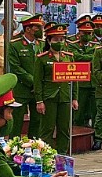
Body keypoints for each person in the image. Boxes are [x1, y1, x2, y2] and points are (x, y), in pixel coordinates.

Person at [32, 23, 77, 152]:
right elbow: (38, 81)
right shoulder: (42, 58)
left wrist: (74, 98)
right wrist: (39, 101)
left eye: (61, 39)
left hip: (65, 97)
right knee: (47, 129)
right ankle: (47, 155)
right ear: (49, 41)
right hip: (49, 97)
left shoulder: (68, 57)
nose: (59, 42)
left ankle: (62, 155)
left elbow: (74, 79)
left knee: (64, 128)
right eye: (56, 39)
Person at [7, 15, 45, 136]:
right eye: (37, 27)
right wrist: (33, 81)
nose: (40, 30)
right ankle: (14, 148)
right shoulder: (15, 45)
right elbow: (16, 68)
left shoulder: (42, 45)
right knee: (16, 121)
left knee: (37, 121)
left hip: (38, 91)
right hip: (22, 89)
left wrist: (39, 84)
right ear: (28, 29)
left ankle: (34, 146)